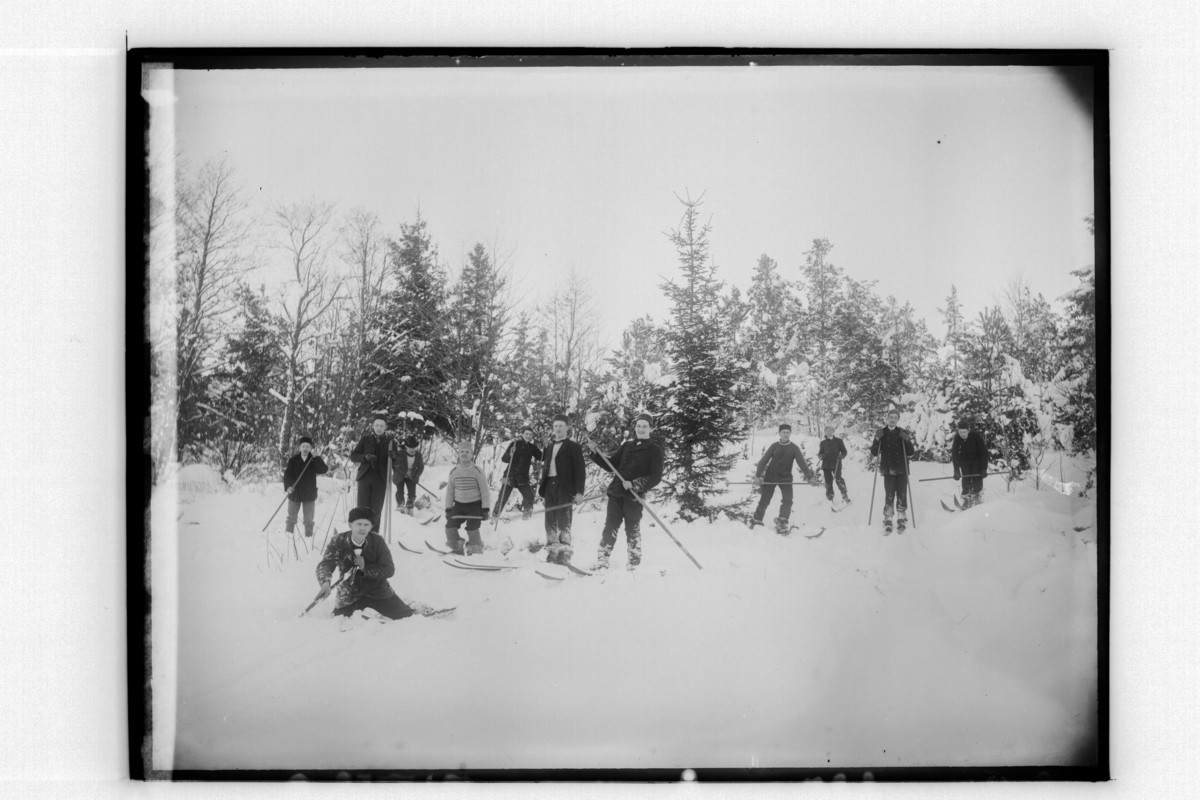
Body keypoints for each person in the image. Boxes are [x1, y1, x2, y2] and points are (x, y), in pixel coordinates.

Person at [585, 413, 664, 571]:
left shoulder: (655, 450)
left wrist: (635, 484)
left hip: (634, 497)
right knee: (610, 527)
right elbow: (611, 465)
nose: (641, 429)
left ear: (651, 429)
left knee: (632, 529)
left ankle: (634, 563)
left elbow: (655, 476)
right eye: (638, 426)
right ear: (635, 427)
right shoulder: (627, 446)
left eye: (645, 426)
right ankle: (602, 560)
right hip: (616, 493)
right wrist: (596, 453)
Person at [314, 506, 415, 622]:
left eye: (366, 525)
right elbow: (326, 564)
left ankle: (409, 606)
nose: (362, 528)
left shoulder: (378, 541)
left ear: (371, 527)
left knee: (407, 617)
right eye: (359, 524)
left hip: (378, 592)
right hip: (348, 595)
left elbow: (389, 569)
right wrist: (325, 583)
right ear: (350, 525)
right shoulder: (338, 541)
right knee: (338, 622)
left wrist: (365, 568)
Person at [537, 413, 588, 565]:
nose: (558, 428)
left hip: (565, 487)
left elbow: (580, 470)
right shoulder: (549, 447)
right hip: (549, 485)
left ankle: (564, 552)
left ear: (567, 428)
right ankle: (552, 551)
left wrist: (579, 492)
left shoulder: (573, 447)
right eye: (555, 426)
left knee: (563, 519)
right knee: (550, 519)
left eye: (561, 426)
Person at [751, 423, 816, 534]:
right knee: (765, 500)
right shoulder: (774, 446)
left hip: (785, 478)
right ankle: (757, 520)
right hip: (770, 477)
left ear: (790, 433)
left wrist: (810, 477)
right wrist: (757, 476)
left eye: (787, 432)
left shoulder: (794, 448)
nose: (785, 434)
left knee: (788, 500)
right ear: (779, 433)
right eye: (783, 432)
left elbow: (802, 463)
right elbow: (763, 461)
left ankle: (782, 522)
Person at [868, 409, 916, 535]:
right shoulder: (881, 433)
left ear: (898, 419)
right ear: (887, 418)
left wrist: (906, 439)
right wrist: (877, 439)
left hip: (901, 468)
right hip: (888, 469)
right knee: (889, 494)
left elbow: (911, 452)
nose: (893, 419)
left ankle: (901, 517)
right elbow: (874, 452)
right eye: (891, 417)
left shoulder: (902, 432)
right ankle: (888, 518)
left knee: (902, 494)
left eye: (895, 417)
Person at [444, 440, 491, 556]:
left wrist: (485, 509)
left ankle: (475, 551)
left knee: (472, 527)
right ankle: (456, 549)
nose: (464, 454)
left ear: (472, 455)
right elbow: (450, 492)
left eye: (467, 452)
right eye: (462, 452)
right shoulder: (453, 472)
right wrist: (448, 509)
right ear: (458, 454)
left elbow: (484, 491)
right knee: (450, 526)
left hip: (475, 506)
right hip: (459, 506)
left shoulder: (478, 471)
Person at [349, 415, 392, 532]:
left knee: (376, 510)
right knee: (362, 509)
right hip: (365, 477)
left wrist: (394, 457)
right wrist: (365, 457)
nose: (379, 428)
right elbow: (353, 456)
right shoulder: (365, 440)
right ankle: (360, 534)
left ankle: (373, 535)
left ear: (385, 427)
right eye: (377, 425)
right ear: (373, 426)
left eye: (381, 426)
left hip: (380, 479)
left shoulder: (390, 442)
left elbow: (397, 462)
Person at [282, 436, 329, 538]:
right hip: (295, 492)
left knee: (309, 518)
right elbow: (287, 475)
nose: (305, 449)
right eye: (303, 446)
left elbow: (323, 470)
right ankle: (288, 537)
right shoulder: (293, 460)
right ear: (299, 447)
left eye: (307, 447)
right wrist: (288, 486)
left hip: (309, 493)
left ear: (311, 448)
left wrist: (317, 458)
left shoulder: (313, 459)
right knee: (291, 517)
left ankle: (309, 537)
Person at [494, 426, 543, 520]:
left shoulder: (532, 447)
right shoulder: (515, 444)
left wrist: (546, 446)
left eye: (530, 434)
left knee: (529, 496)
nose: (528, 436)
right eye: (526, 434)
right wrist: (510, 454)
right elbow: (504, 459)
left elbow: (541, 457)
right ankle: (495, 516)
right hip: (510, 475)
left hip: (522, 478)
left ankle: (526, 516)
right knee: (503, 497)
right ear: (522, 434)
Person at [950, 419, 989, 508]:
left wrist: (984, 469)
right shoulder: (957, 438)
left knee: (976, 481)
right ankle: (967, 500)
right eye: (960, 432)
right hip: (964, 461)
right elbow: (954, 454)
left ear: (968, 430)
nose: (962, 434)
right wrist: (956, 470)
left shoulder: (976, 436)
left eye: (964, 432)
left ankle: (977, 498)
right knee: (966, 480)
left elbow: (984, 453)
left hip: (977, 461)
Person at [816, 424, 850, 505]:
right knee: (828, 481)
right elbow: (820, 453)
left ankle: (845, 495)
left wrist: (841, 456)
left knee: (838, 479)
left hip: (836, 463)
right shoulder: (822, 443)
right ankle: (830, 497)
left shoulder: (839, 441)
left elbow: (844, 451)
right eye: (827, 430)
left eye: (830, 430)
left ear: (833, 431)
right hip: (826, 465)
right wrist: (821, 456)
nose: (829, 432)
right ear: (825, 432)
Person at [391, 435, 424, 515]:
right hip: (400, 475)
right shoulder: (400, 453)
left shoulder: (418, 455)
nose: (411, 449)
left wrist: (417, 476)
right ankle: (400, 505)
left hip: (411, 476)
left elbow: (421, 467)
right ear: (406, 446)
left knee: (412, 492)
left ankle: (409, 507)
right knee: (400, 491)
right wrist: (397, 471)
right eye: (409, 447)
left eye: (413, 447)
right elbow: (393, 464)